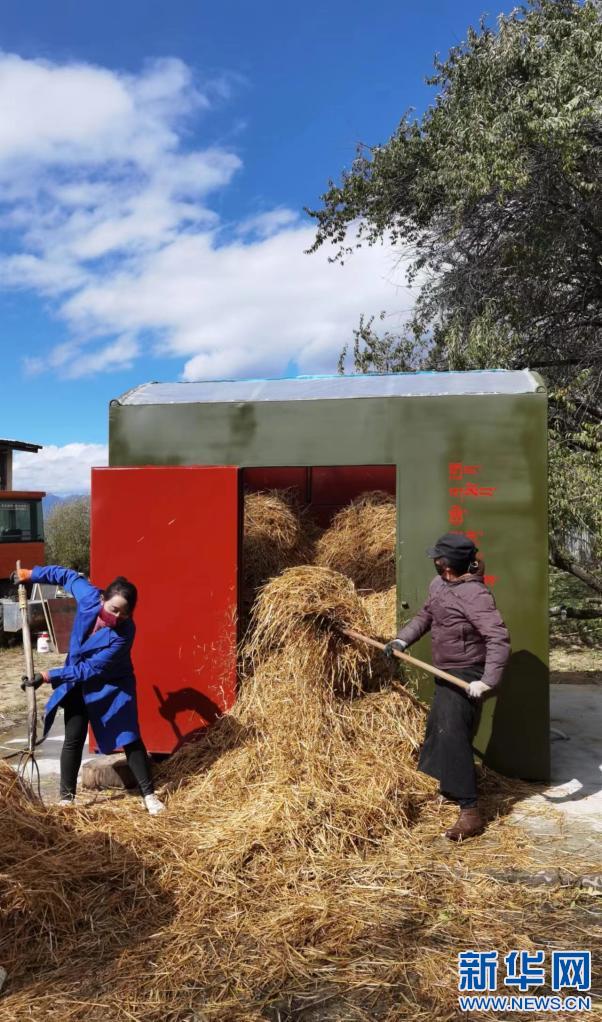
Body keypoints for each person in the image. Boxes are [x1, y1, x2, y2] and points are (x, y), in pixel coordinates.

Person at [383, 533, 510, 841]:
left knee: (453, 736)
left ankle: (470, 812)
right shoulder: (438, 585)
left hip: (467, 673)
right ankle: (451, 788)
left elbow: (498, 638)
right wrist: (402, 639)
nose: (435, 563)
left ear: (447, 564)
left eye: (438, 559)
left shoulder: (475, 595)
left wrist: (487, 681)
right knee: (439, 731)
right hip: (445, 669)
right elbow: (425, 615)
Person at [12, 564, 165, 815]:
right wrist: (31, 575)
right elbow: (66, 576)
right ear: (102, 599)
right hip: (76, 679)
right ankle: (66, 799)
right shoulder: (89, 597)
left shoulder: (124, 633)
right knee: (74, 736)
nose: (117, 617)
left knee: (128, 736)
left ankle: (149, 796)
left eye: (124, 614)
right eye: (114, 609)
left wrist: (48, 676)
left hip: (111, 685)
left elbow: (91, 669)